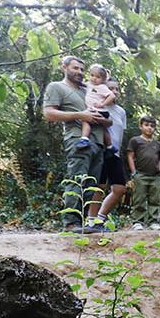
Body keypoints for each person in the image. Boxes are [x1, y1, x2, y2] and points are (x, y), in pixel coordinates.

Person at [42, 56, 110, 231]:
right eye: (75, 68)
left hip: (98, 141)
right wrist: (80, 115)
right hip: (78, 139)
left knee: (91, 184)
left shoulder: (88, 89)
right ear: (64, 67)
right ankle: (71, 222)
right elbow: (49, 113)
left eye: (81, 69)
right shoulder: (57, 87)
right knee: (77, 179)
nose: (79, 72)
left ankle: (82, 222)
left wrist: (102, 119)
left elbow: (107, 114)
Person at [87, 77, 127, 232]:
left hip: (115, 153)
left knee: (120, 189)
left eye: (117, 89)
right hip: (101, 151)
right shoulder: (96, 106)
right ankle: (91, 222)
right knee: (99, 186)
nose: (114, 91)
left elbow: (119, 133)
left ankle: (100, 218)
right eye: (111, 88)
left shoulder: (121, 111)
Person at [127, 116, 160, 230]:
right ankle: (138, 221)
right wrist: (134, 172)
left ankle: (154, 221)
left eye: (152, 126)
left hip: (155, 176)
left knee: (155, 199)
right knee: (139, 198)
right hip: (140, 174)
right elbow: (130, 156)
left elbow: (159, 159)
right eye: (146, 125)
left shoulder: (158, 144)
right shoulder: (135, 140)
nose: (149, 128)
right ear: (140, 126)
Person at [76, 64, 115, 150]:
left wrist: (103, 104)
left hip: (98, 110)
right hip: (96, 110)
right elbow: (83, 84)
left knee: (85, 121)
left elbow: (112, 96)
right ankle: (110, 146)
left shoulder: (102, 87)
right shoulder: (90, 84)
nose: (94, 78)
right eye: (92, 75)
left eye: (98, 77)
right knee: (103, 129)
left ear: (103, 79)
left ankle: (84, 139)